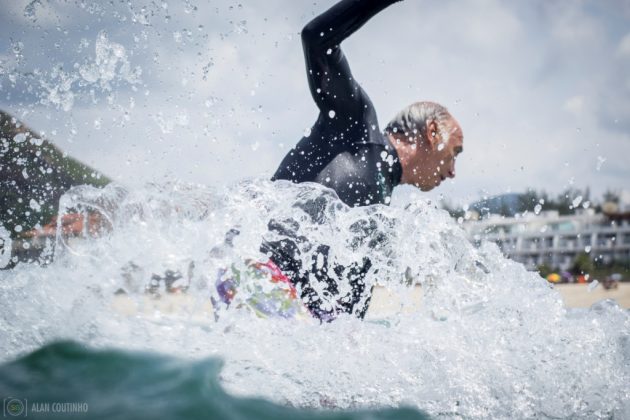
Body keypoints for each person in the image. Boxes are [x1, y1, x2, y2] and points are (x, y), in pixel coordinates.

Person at [258, 0, 463, 322]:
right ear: (432, 131)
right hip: (262, 276)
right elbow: (317, 38)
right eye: (454, 153)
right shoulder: (354, 125)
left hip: (298, 313)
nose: (452, 171)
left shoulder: (381, 206)